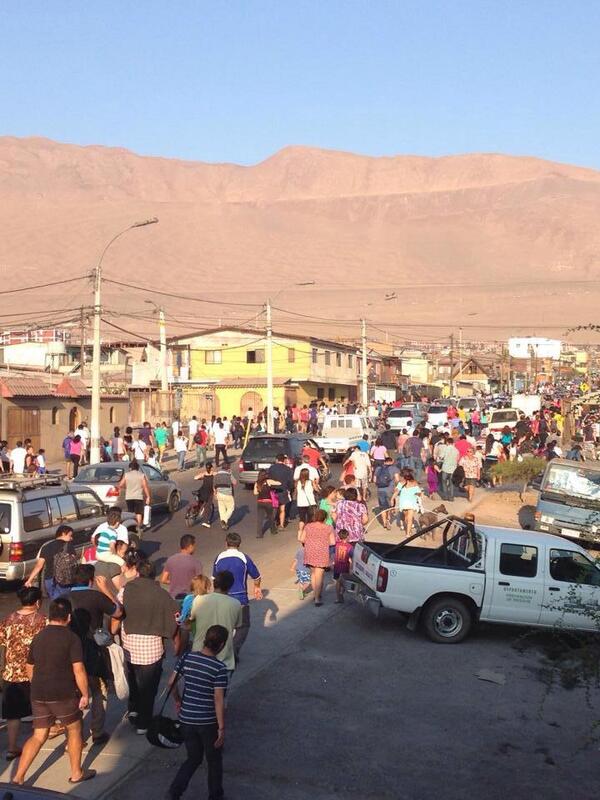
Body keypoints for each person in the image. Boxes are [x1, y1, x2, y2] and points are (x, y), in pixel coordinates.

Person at [14, 597, 95, 786]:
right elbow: (78, 669)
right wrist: (85, 694)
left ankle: (18, 777)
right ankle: (76, 773)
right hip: (63, 693)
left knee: (39, 735)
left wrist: (36, 684)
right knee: (74, 729)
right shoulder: (71, 638)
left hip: (39, 693)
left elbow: (29, 665)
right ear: (68, 617)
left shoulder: (39, 636)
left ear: (50, 615)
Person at [167, 625, 229, 800]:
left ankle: (174, 792)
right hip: (208, 722)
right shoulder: (219, 668)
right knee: (214, 760)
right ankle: (215, 795)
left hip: (186, 719)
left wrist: (178, 700)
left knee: (193, 758)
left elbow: (171, 682)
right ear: (222, 644)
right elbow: (218, 700)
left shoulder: (187, 657)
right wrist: (221, 728)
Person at [64, 564, 122, 744]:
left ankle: (74, 737)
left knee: (73, 696)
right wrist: (105, 589)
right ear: (91, 580)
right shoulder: (96, 596)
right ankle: (97, 731)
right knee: (99, 691)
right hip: (94, 652)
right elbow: (118, 612)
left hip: (69, 654)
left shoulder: (63, 598)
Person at [122, 560, 179, 734]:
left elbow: (117, 611)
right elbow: (176, 618)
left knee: (133, 681)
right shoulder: (161, 594)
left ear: (138, 573)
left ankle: (133, 710)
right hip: (151, 649)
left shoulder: (126, 590)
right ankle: (143, 723)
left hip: (129, 645)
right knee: (148, 687)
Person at [0, 586, 46, 761]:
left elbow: (3, 643)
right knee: (42, 709)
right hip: (35, 672)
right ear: (37, 602)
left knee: (13, 714)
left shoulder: (8, 619)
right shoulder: (42, 620)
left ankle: (12, 747)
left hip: (11, 673)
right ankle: (44, 737)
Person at [213, 532, 262, 660]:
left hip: (221, 597)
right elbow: (257, 576)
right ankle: (233, 650)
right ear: (239, 544)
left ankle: (221, 650)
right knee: (243, 626)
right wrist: (257, 587)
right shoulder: (244, 558)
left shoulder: (219, 557)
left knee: (223, 626)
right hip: (240, 598)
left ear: (226, 543)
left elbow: (214, 579)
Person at [190, 571, 242, 679]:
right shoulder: (236, 604)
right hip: (224, 660)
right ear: (230, 586)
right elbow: (238, 626)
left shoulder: (198, 600)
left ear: (214, 583)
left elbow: (192, 618)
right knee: (219, 694)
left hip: (199, 655)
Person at [25, 524, 77, 599]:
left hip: (50, 579)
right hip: (65, 579)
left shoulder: (46, 547)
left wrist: (29, 580)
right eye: (70, 535)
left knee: (55, 602)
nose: (71, 538)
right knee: (66, 601)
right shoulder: (69, 546)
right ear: (63, 534)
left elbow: (39, 566)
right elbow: (73, 563)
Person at [300, 509, 336, 607]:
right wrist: (323, 542)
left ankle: (315, 593)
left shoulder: (308, 526)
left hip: (310, 551)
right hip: (322, 552)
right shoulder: (328, 528)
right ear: (325, 518)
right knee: (319, 575)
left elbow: (302, 539)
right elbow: (332, 542)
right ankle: (317, 598)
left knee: (313, 573)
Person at [159, 535, 203, 599]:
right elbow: (200, 584)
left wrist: (175, 583)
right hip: (189, 598)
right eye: (194, 546)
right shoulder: (196, 563)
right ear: (190, 546)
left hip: (173, 598)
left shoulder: (171, 560)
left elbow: (163, 580)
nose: (195, 548)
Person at [117, 460, 151, 529]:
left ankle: (132, 526)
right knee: (138, 512)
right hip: (138, 497)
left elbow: (120, 485)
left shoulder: (127, 475)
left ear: (130, 468)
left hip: (129, 497)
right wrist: (148, 496)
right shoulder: (141, 475)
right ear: (138, 468)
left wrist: (126, 487)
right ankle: (138, 526)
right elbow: (145, 486)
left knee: (131, 512)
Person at [392, 469, 423, 536]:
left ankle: (408, 533)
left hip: (406, 503)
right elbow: (419, 493)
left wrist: (392, 499)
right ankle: (409, 530)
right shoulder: (414, 483)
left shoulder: (401, 483)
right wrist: (417, 495)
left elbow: (396, 492)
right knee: (407, 518)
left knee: (408, 519)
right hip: (409, 503)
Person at [268, 453, 294, 528]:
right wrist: (290, 488)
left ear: (276, 460)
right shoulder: (288, 469)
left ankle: (273, 523)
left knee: (274, 508)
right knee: (282, 509)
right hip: (283, 490)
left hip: (273, 491)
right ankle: (281, 525)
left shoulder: (271, 468)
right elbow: (291, 482)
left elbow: (268, 478)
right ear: (284, 460)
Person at [254, 470, 281, 537]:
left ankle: (259, 534)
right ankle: (273, 530)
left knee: (260, 518)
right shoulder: (268, 481)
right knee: (270, 517)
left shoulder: (257, 483)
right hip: (268, 502)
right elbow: (279, 483)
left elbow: (255, 493)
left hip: (260, 502)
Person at [375, 456, 399, 530]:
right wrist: (395, 486)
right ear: (391, 462)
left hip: (380, 490)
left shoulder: (378, 468)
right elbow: (397, 479)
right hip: (390, 489)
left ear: (384, 462)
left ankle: (384, 523)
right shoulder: (394, 468)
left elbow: (374, 479)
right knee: (389, 506)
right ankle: (388, 519)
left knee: (382, 507)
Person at [214, 460, 236, 531]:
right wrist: (231, 474)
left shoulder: (217, 474)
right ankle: (224, 520)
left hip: (219, 494)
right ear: (228, 468)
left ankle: (224, 523)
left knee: (221, 509)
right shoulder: (228, 474)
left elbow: (214, 485)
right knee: (231, 507)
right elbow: (235, 482)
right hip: (227, 494)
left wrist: (215, 493)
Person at [295, 467, 317, 536]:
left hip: (300, 503)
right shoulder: (310, 481)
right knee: (310, 518)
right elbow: (316, 489)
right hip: (310, 502)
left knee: (302, 518)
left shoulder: (297, 482)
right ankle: (309, 531)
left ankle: (300, 531)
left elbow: (296, 491)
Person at [333, 528, 353, 604]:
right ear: (347, 536)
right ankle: (342, 592)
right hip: (345, 566)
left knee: (337, 581)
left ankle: (337, 598)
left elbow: (333, 554)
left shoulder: (336, 545)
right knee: (345, 581)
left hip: (337, 565)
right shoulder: (350, 547)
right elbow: (352, 556)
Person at [440, 436, 459, 502]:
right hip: (453, 468)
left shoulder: (445, 449)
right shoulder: (456, 450)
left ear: (447, 442)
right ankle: (451, 497)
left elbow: (441, 457)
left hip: (445, 467)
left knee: (444, 482)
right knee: (451, 483)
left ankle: (445, 496)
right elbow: (457, 459)